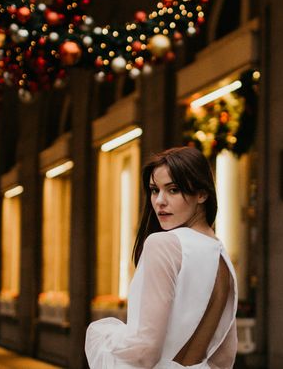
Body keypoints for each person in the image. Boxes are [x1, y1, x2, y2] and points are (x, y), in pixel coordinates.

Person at [85, 146, 238, 368]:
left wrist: (103, 337)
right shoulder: (221, 257)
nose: (159, 201)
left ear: (202, 194)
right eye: (155, 190)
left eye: (173, 190)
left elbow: (145, 352)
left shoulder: (164, 244)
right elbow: (224, 355)